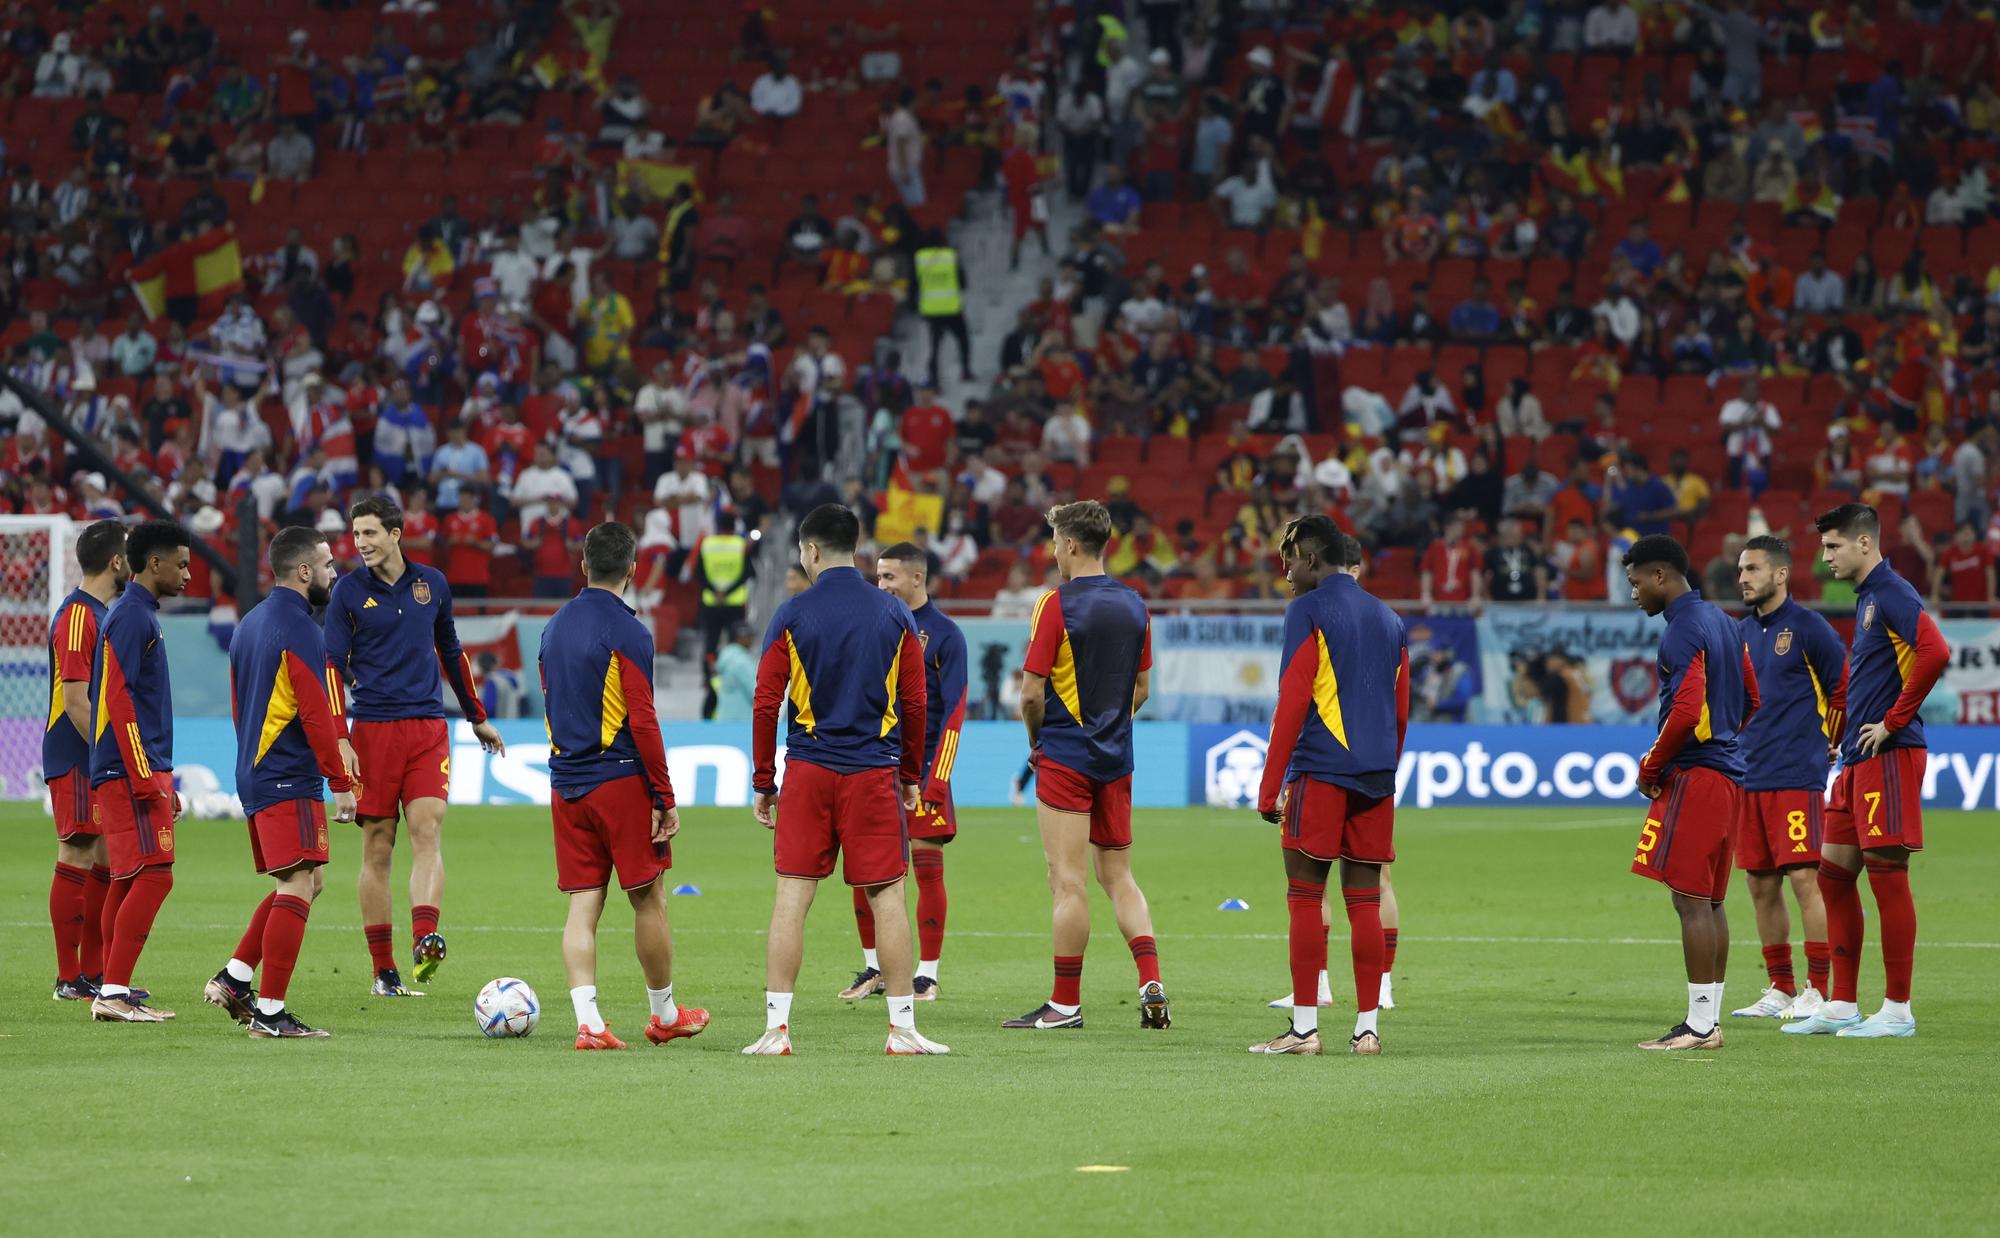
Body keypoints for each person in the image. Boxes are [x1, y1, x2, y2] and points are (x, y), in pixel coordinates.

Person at [746, 504, 947, 1056]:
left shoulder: (790, 614)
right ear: (855, 548)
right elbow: (915, 700)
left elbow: (767, 702)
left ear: (811, 551)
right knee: (888, 899)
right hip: (872, 772)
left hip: (809, 771)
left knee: (792, 898)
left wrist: (765, 779)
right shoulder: (894, 614)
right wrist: (910, 775)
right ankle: (903, 1030)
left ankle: (776, 1031)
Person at [324, 496, 506, 997]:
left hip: (428, 728)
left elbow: (451, 652)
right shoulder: (346, 593)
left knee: (428, 828)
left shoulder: (433, 585)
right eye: (356, 535)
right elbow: (330, 669)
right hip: (373, 730)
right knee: (378, 846)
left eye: (369, 533)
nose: (360, 544)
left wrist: (477, 717)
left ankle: (425, 937)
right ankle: (384, 970)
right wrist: (339, 737)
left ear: (396, 533)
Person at [540, 522, 709, 1051]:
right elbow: (643, 719)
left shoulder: (552, 627)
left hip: (566, 784)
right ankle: (664, 1015)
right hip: (619, 781)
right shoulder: (631, 632)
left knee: (583, 904)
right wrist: (664, 795)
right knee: (648, 898)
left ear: (584, 566)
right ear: (634, 570)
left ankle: (589, 1022)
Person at [1785, 504, 1948, 1040]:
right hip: (1857, 759)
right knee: (1833, 877)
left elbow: (1936, 651)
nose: (1825, 557)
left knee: (1886, 876)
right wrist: (1844, 733)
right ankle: (1843, 1003)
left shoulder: (1894, 592)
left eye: (1833, 546)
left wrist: (1892, 721)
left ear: (1863, 542)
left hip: (1890, 755)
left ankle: (1897, 1008)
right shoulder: (1869, 599)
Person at [1005, 500, 1169, 1032]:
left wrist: (1039, 742)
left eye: (1055, 542)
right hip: (1116, 759)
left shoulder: (1055, 604)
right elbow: (1141, 689)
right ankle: (1150, 980)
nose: (1053, 551)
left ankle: (1065, 1005)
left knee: (1068, 882)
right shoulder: (1135, 605)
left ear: (1071, 544)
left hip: (1066, 759)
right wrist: (1110, 729)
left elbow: (1031, 694)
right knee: (1119, 876)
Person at [1250, 522, 1407, 1056]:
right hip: (1376, 777)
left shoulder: (1307, 611)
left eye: (1291, 560)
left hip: (1319, 770)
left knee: (1304, 898)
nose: (1286, 571)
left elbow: (1292, 701)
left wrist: (1271, 786)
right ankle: (1367, 1031)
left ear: (1313, 559)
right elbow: (1401, 711)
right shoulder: (1390, 618)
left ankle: (1303, 1030)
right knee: (1364, 900)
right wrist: (1385, 768)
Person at [202, 527, 357, 1038]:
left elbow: (237, 701)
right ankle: (270, 1014)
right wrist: (340, 782)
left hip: (255, 765)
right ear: (305, 571)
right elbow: (316, 714)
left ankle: (236, 977)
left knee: (309, 880)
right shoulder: (302, 631)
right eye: (330, 565)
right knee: (297, 882)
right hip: (287, 771)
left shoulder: (249, 624)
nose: (336, 573)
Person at [1624, 533, 1758, 1051]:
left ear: (1661, 576)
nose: (1634, 593)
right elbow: (1752, 696)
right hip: (1727, 775)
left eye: (1637, 583)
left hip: (1697, 776)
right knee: (1711, 900)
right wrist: (1724, 736)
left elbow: (1684, 710)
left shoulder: (1681, 629)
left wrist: (1651, 766)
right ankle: (1710, 1020)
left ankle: (1699, 1026)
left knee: (1689, 900)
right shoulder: (1725, 624)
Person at [840, 542, 968, 1002]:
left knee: (927, 870)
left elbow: (954, 711)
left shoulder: (945, 635)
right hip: (873, 766)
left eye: (889, 577)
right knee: (864, 868)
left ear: (918, 578)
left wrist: (938, 779)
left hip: (925, 771)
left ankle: (927, 974)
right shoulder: (876, 625)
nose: (881, 585)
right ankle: (873, 968)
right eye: (877, 577)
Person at [1728, 535, 1843, 1022]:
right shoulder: (1738, 634)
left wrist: (1830, 743)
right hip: (1748, 772)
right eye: (1740, 570)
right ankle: (1780, 986)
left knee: (1803, 877)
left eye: (1752, 569)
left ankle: (1817, 988)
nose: (1743, 578)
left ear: (1780, 574)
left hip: (1796, 770)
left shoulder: (1810, 628)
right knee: (1759, 884)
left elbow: (1841, 691)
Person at [87, 519, 194, 1023]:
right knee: (155, 876)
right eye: (182, 564)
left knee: (128, 878)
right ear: (154, 563)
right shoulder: (132, 616)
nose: (189, 575)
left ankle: (111, 985)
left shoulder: (136, 613)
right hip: (130, 768)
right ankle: (111, 992)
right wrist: (146, 773)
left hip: (130, 766)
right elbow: (117, 697)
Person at [45, 520, 127, 1002]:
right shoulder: (79, 616)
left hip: (89, 753)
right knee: (76, 851)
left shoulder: (98, 613)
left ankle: (93, 973)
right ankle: (67, 977)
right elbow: (75, 700)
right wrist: (106, 752)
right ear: (117, 561)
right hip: (75, 752)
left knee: (106, 858)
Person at [687, 515, 753, 718]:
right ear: (734, 526)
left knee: (710, 642)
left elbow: (698, 572)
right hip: (733, 602)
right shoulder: (740, 544)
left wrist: (714, 590)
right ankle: (735, 676)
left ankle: (708, 679)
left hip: (712, 602)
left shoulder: (708, 544)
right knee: (736, 645)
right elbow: (747, 573)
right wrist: (728, 591)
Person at [913, 231, 973, 388]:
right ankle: (965, 371)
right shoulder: (950, 256)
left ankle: (934, 381)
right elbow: (963, 282)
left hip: (931, 310)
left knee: (934, 347)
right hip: (951, 308)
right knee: (963, 340)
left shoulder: (921, 257)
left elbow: (914, 284)